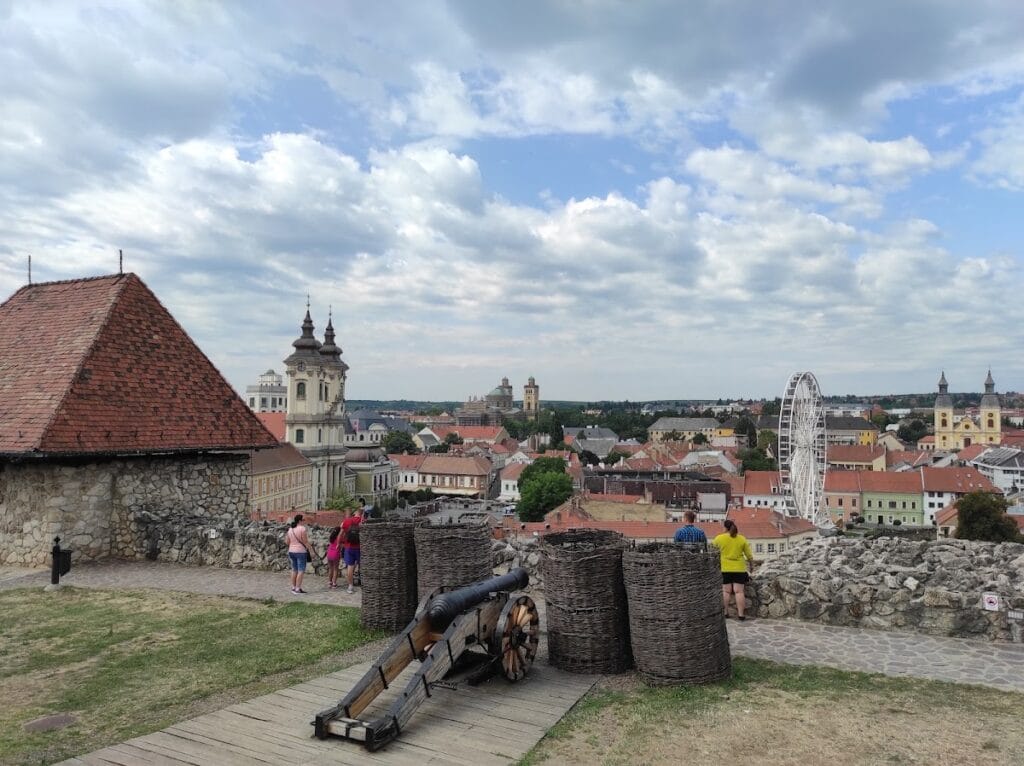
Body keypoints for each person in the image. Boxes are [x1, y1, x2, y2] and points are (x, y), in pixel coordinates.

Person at [711, 519, 756, 620]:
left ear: (725, 528)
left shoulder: (719, 538)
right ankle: (741, 615)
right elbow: (749, 555)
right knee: (739, 592)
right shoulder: (742, 539)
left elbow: (711, 551)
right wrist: (752, 566)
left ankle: (726, 613)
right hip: (739, 569)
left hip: (725, 568)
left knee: (726, 591)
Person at [285, 514, 314, 594]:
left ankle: (293, 587)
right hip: (300, 551)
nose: (304, 521)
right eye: (303, 520)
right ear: (300, 521)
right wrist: (311, 551)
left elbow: (287, 542)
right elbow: (305, 542)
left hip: (291, 551)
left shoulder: (290, 529)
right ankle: (298, 589)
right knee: (301, 570)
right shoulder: (302, 529)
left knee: (294, 570)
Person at [341, 507, 363, 594]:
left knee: (350, 566)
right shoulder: (363, 521)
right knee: (363, 565)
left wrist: (338, 544)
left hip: (349, 547)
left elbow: (341, 534)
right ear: (361, 513)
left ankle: (350, 586)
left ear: (354, 513)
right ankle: (364, 583)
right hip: (360, 547)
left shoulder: (347, 521)